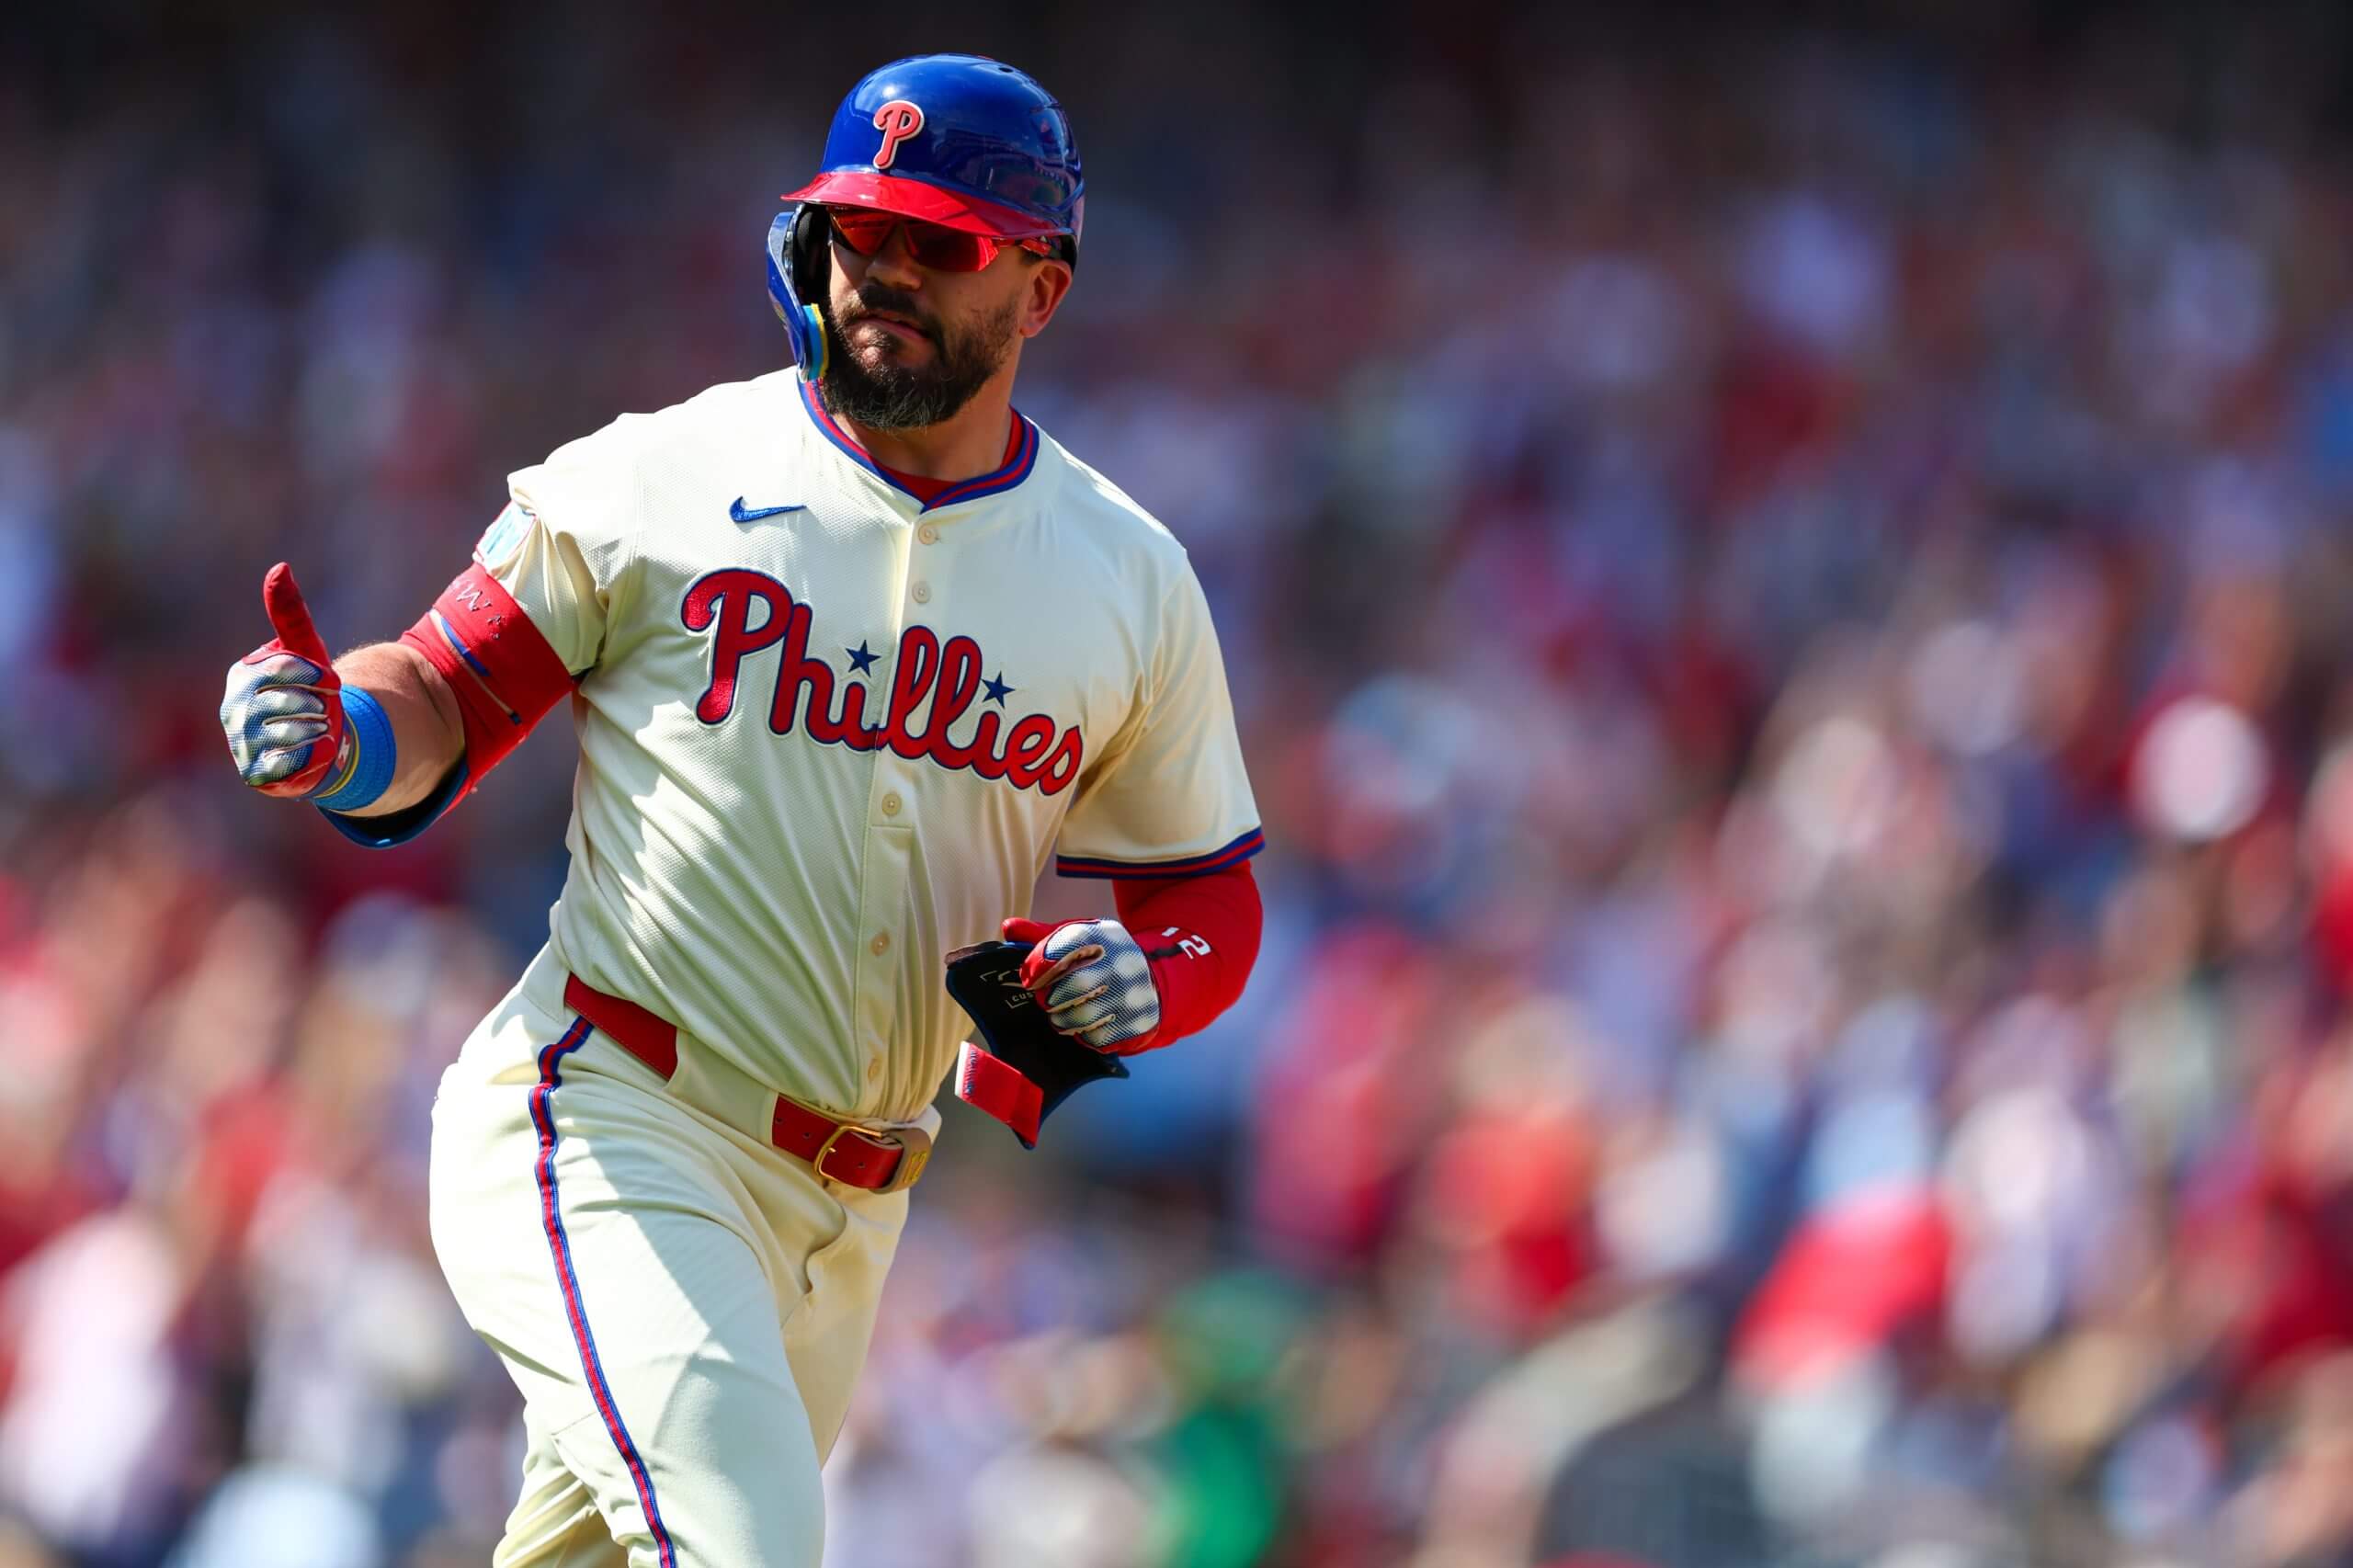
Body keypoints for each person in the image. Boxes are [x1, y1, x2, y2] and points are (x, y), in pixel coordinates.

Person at [217, 53, 1264, 1567]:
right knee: (743, 1545)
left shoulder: (1127, 577)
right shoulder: (664, 474)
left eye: (940, 243)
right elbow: (442, 692)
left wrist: (1142, 989)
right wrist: (342, 733)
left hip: (858, 1204)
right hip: (610, 1117)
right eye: (859, 229)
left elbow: (1207, 903)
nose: (881, 273)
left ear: (1039, 290)